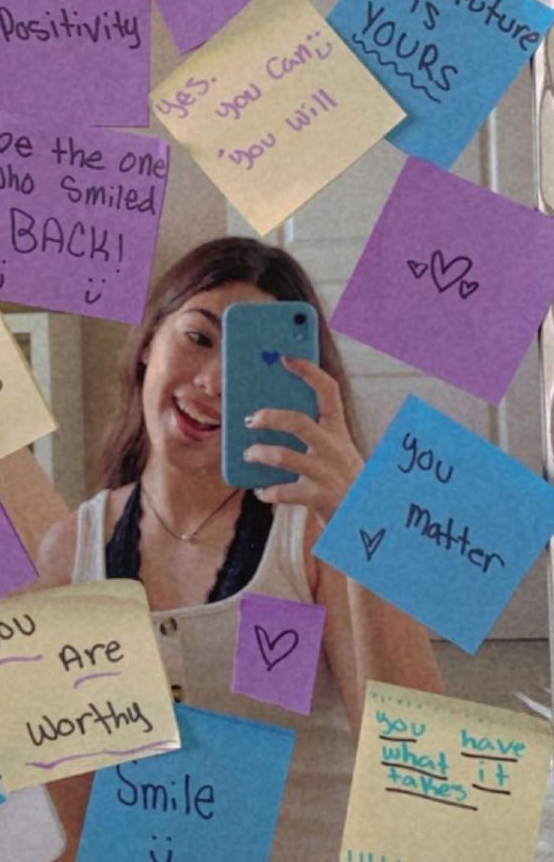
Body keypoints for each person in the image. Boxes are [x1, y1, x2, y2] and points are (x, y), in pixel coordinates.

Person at [39, 236, 443, 861]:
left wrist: (360, 518)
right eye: (198, 338)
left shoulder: (313, 535)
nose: (214, 383)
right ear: (149, 342)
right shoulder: (71, 550)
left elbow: (415, 763)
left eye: (255, 361)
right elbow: (65, 810)